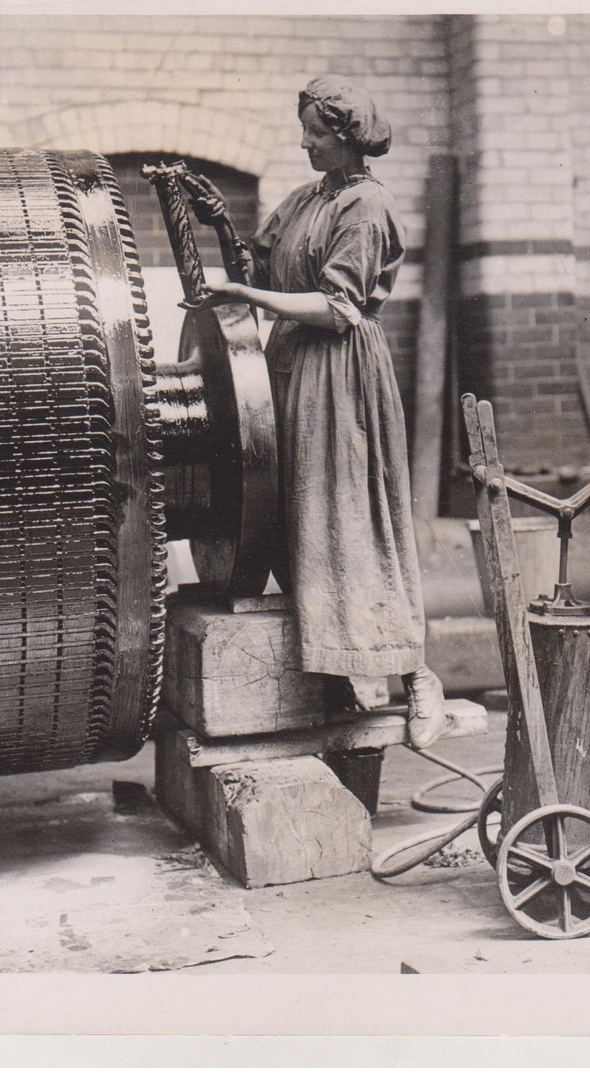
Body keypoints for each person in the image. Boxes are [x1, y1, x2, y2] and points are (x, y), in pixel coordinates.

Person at [204, 75, 445, 749]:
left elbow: (336, 310)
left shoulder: (368, 209)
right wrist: (219, 223)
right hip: (284, 368)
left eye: (316, 131)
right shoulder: (305, 198)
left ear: (347, 136)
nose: (305, 141)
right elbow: (257, 259)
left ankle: (416, 676)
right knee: (288, 518)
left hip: (336, 377)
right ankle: (338, 674)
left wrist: (246, 288)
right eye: (304, 128)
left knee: (348, 525)